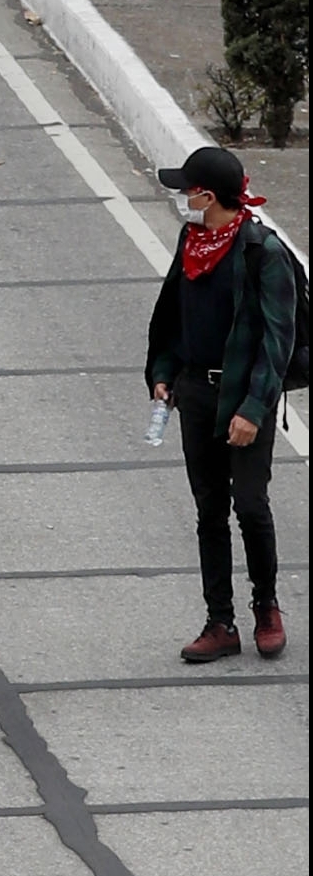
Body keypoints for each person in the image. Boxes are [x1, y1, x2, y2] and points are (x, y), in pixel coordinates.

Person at [144, 143, 294, 662]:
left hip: (245, 397)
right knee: (209, 510)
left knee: (249, 505)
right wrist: (164, 374)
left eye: (187, 190)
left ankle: (266, 607)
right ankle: (220, 622)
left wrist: (253, 409)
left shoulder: (262, 252)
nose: (182, 198)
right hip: (196, 393)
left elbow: (278, 342)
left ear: (208, 197)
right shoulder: (192, 241)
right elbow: (174, 317)